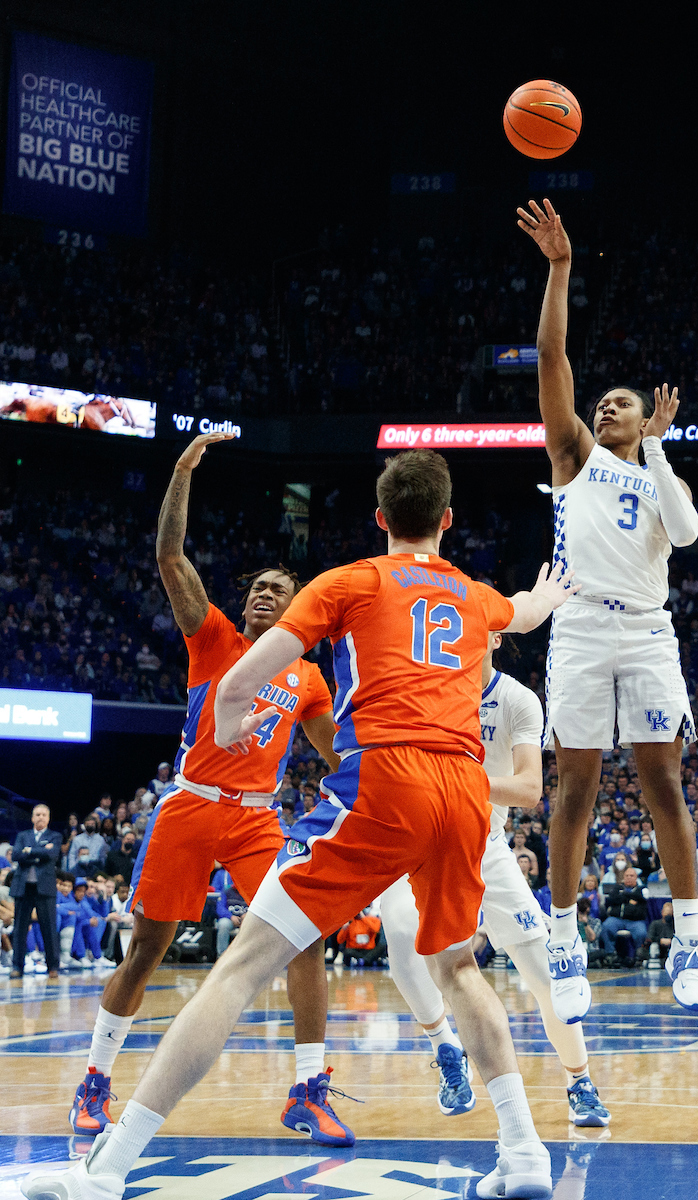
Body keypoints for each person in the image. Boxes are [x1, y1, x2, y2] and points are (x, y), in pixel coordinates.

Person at [24, 449, 575, 1200]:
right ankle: (525, 1156)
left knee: (243, 963)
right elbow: (525, 611)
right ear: (446, 521)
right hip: (464, 792)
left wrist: (226, 713)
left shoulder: (347, 581)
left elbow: (250, 674)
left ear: (381, 519)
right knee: (460, 968)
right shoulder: (476, 598)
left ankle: (108, 1170)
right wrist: (547, 595)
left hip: (387, 778)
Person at [64, 431, 346, 1148]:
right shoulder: (215, 639)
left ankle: (308, 1091)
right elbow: (170, 557)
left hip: (257, 821)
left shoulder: (310, 677)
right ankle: (93, 1081)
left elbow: (336, 752)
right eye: (257, 586)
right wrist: (183, 471)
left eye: (279, 591)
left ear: (299, 616)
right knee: (147, 950)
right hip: (191, 806)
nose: (262, 593)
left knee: (303, 939)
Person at [518, 197, 698, 1022]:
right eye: (603, 402)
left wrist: (661, 448)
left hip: (649, 627)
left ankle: (689, 940)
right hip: (584, 624)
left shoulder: (662, 476)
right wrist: (561, 269)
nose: (606, 407)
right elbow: (554, 354)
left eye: (621, 404)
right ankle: (565, 939)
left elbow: (691, 532)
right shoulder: (574, 459)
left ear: (648, 418)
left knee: (663, 781)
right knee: (576, 789)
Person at [379, 630, 610, 1128]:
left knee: (546, 974)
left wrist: (458, 781)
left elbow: (528, 789)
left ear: (496, 636)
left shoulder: (516, 700)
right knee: (398, 930)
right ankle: (446, 1049)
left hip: (486, 846)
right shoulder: (426, 689)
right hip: (419, 844)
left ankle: (579, 1080)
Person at [9, 805, 60, 980]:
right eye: (37, 814)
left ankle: (52, 966)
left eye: (44, 815)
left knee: (49, 929)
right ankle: (17, 966)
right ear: (32, 818)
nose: (40, 817)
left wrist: (29, 851)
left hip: (44, 889)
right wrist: (40, 852)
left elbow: (52, 854)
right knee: (20, 929)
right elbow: (15, 855)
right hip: (23, 888)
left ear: (48, 818)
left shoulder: (55, 836)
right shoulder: (22, 835)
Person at [599, 867, 648, 964]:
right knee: (606, 927)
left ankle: (639, 955)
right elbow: (613, 899)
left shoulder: (642, 889)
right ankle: (611, 954)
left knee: (641, 932)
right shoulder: (617, 888)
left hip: (635, 921)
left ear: (636, 877)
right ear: (623, 877)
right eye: (627, 876)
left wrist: (623, 896)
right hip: (617, 919)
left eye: (632, 876)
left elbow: (642, 899)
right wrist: (629, 899)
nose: (629, 878)